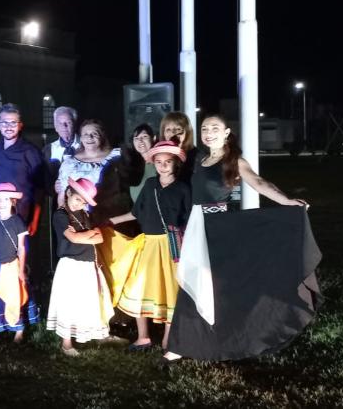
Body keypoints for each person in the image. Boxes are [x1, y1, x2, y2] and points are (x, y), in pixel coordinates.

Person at [163, 114, 320, 364]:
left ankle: (205, 341)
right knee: (194, 280)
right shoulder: (198, 159)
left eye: (215, 128)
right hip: (197, 225)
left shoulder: (233, 160)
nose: (209, 133)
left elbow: (258, 182)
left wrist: (287, 201)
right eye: (205, 129)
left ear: (226, 133)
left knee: (214, 284)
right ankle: (183, 344)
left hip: (220, 229)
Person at [108, 140, 191, 351]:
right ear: (153, 163)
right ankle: (143, 336)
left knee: (169, 289)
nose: (163, 165)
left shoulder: (183, 188)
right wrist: (111, 221)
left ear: (176, 163)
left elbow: (189, 219)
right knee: (139, 286)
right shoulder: (150, 185)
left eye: (168, 161)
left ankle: (167, 339)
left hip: (171, 244)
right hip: (149, 243)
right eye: (158, 161)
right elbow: (136, 213)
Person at [46, 177, 114, 356]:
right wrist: (89, 234)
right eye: (77, 199)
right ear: (69, 193)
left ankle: (97, 333)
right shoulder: (61, 215)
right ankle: (66, 344)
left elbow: (99, 238)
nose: (80, 204)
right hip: (71, 264)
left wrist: (85, 235)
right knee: (69, 302)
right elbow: (73, 238)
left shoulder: (86, 215)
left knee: (89, 301)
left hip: (88, 264)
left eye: (84, 202)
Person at [0, 183, 38, 341]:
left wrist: (21, 270)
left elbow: (21, 248)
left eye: (6, 199)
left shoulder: (17, 222)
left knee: (13, 296)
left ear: (13, 201)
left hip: (11, 266)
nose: (1, 202)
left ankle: (19, 330)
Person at [0, 103, 44, 229]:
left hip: (19, 215)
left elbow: (39, 188)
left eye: (13, 122)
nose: (9, 127)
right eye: (4, 123)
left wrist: (34, 219)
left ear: (20, 125)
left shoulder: (30, 152)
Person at [42, 106, 79, 197]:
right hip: (57, 200)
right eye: (60, 123)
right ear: (55, 127)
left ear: (75, 124)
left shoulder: (86, 145)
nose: (64, 126)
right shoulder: (48, 150)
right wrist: (53, 187)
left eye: (68, 122)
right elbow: (43, 178)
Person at [159, 112, 197, 184]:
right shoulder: (161, 155)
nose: (173, 133)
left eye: (178, 129)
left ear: (187, 132)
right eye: (168, 130)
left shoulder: (196, 157)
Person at [128, 124, 157, 202]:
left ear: (153, 138)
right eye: (136, 138)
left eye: (144, 136)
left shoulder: (159, 163)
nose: (140, 141)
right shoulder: (132, 165)